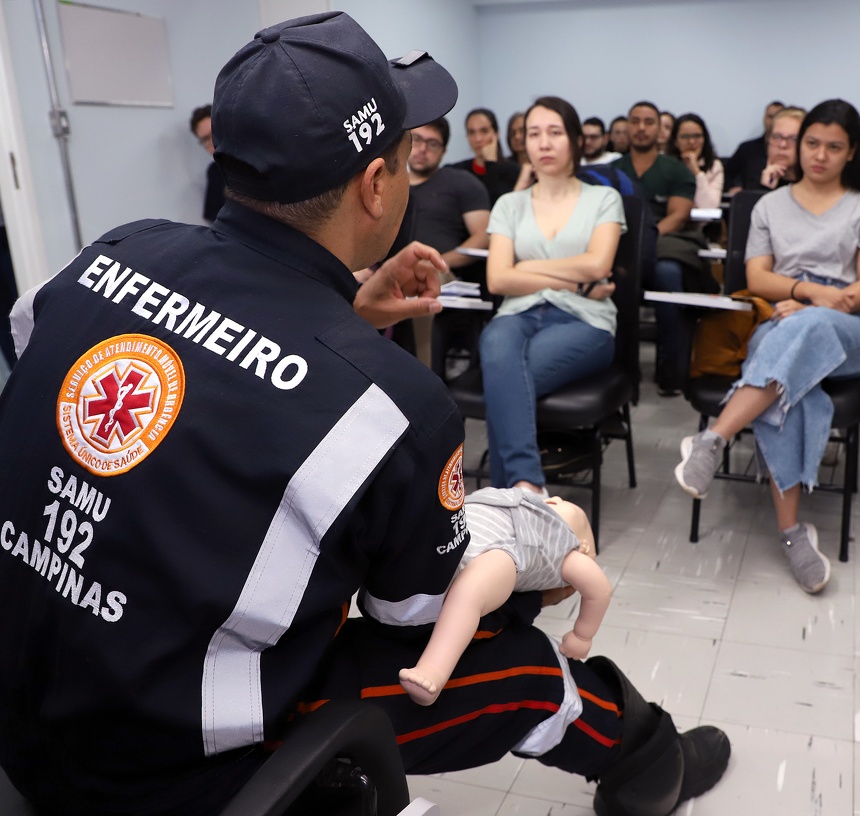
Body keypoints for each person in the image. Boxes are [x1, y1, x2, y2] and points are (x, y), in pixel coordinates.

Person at [0, 14, 729, 816]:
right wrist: (538, 551)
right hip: (164, 762)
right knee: (513, 662)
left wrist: (344, 312)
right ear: (377, 185)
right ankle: (650, 765)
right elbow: (415, 612)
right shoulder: (392, 403)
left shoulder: (110, 252)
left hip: (29, 696)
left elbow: (211, 372)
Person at [674, 100, 860, 594]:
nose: (819, 155)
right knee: (793, 389)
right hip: (782, 317)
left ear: (851, 152)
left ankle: (714, 438)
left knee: (807, 332)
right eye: (811, 143)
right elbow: (757, 278)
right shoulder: (770, 204)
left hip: (847, 331)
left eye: (834, 147)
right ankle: (793, 534)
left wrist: (821, 307)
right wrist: (807, 293)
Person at [480, 96, 627, 493]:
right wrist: (569, 279)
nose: (543, 143)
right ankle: (529, 489)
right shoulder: (509, 205)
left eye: (555, 133)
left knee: (505, 378)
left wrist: (524, 269)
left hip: (585, 319)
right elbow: (497, 280)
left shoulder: (604, 198)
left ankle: (513, 493)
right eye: (533, 134)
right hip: (518, 314)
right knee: (495, 345)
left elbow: (598, 265)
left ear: (577, 141)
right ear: (523, 144)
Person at [400, 489, 610, 706]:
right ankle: (432, 668)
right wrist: (582, 636)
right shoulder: (556, 537)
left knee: (466, 592)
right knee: (467, 594)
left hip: (468, 536)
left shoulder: (555, 537)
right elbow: (599, 589)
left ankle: (432, 669)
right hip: (474, 540)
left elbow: (598, 587)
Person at [385, 116, 491, 375]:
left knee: (424, 274)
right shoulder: (388, 183)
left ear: (444, 150)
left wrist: (438, 261)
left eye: (433, 144)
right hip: (385, 271)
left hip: (442, 273)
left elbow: (484, 235)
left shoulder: (460, 182)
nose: (422, 149)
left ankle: (426, 384)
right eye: (418, 140)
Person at [612, 101, 699, 395]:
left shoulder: (675, 169)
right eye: (635, 121)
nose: (641, 128)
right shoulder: (613, 169)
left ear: (661, 129)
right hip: (617, 248)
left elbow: (678, 215)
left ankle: (671, 371)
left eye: (648, 122)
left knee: (668, 275)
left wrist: (645, 236)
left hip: (662, 246)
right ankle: (618, 367)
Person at [448, 107, 521, 205]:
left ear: (496, 134)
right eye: (471, 132)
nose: (478, 139)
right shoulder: (457, 171)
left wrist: (490, 163)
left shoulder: (513, 171)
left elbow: (495, 208)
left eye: (484, 131)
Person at [667, 113, 724, 210]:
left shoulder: (714, 166)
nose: (691, 142)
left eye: (697, 136)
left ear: (704, 140)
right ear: (675, 142)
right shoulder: (666, 164)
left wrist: (696, 171)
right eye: (685, 137)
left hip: (704, 223)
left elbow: (709, 207)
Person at [726, 100, 785, 193]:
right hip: (750, 200)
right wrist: (731, 188)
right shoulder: (746, 149)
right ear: (764, 118)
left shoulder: (791, 151)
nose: (773, 121)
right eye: (770, 116)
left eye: (777, 117)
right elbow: (727, 173)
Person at [747, 106, 805, 192]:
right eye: (777, 137)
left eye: (793, 139)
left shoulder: (815, 186)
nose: (783, 144)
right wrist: (764, 188)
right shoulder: (756, 180)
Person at [189, 104, 225, 222]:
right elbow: (212, 216)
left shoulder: (257, 162)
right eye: (205, 139)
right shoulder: (214, 171)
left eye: (214, 132)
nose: (212, 142)